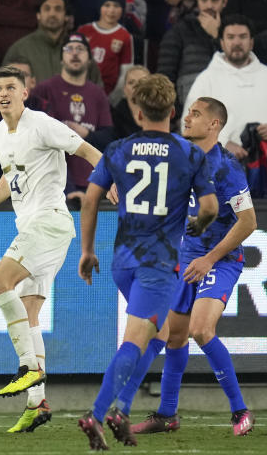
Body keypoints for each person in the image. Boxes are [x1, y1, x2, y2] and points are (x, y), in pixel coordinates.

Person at [77, 73, 218, 450]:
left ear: (138, 113)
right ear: (172, 112)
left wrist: (87, 250)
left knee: (155, 335)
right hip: (157, 265)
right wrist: (195, 225)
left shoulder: (119, 149)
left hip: (123, 260)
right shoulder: (190, 154)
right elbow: (209, 208)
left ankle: (121, 409)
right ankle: (98, 411)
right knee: (135, 340)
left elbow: (89, 199)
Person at [0, 64, 102, 434]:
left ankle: (29, 368)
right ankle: (37, 403)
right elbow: (12, 179)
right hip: (34, 226)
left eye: (10, 87)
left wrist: (109, 183)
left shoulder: (42, 123)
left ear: (25, 92)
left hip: (50, 221)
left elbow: (89, 151)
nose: (3, 93)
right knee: (30, 314)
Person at [113, 96, 256, 437]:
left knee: (201, 330)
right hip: (184, 260)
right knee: (173, 337)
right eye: (187, 112)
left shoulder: (226, 167)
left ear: (214, 125)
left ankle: (240, 412)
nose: (187, 118)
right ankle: (167, 415)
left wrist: (209, 258)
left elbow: (248, 221)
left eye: (196, 114)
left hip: (219, 260)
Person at [182, 16, 267, 160]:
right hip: (219, 166)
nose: (237, 42)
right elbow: (189, 125)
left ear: (251, 42)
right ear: (222, 43)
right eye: (230, 37)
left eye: (242, 37)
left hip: (266, 165)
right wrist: (220, 143)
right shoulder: (207, 79)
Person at [33, 32, 113, 197]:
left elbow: (108, 137)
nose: (75, 53)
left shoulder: (97, 93)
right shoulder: (44, 89)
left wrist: (87, 134)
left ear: (90, 59)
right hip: (53, 181)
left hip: (90, 179)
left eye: (80, 49)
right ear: (61, 58)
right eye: (69, 49)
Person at [0, 58, 48, 200]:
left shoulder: (43, 106)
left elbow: (52, 150)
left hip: (33, 174)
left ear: (32, 82)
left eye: (22, 75)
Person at [156, 0, 228, 106]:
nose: (209, 6)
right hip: (189, 110)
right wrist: (177, 115)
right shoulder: (179, 31)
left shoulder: (234, 31)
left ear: (224, 2)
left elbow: (239, 69)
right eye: (204, 0)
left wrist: (216, 37)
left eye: (214, 0)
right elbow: (164, 79)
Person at [2, 0, 103, 84]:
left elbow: (97, 89)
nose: (52, 14)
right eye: (47, 9)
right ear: (38, 15)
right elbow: (5, 88)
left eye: (58, 9)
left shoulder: (80, 49)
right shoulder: (20, 49)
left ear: (66, 16)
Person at [78, 0, 134, 93]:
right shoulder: (84, 31)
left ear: (122, 9)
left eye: (116, 6)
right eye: (107, 5)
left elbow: (125, 72)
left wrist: (113, 100)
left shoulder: (125, 36)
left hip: (108, 95)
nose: (111, 10)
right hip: (81, 91)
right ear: (99, 7)